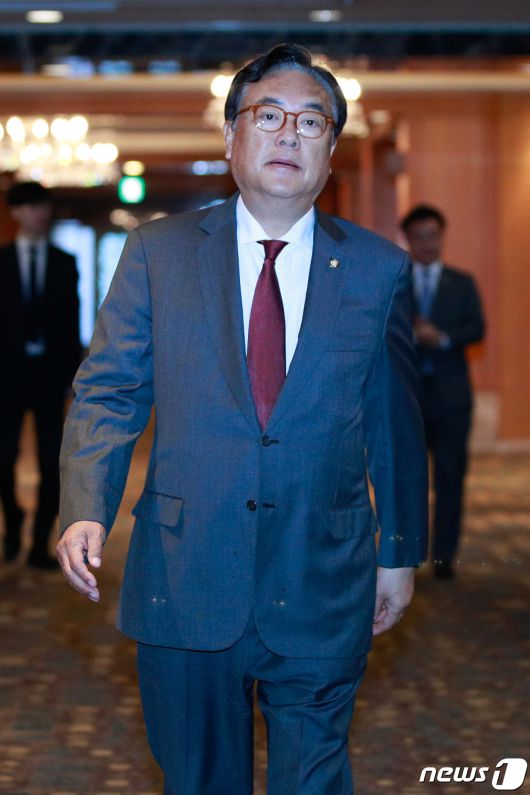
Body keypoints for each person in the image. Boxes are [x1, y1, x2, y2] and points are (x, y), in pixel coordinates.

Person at [57, 44, 428, 795]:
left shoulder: (377, 268)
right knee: (199, 780)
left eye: (311, 121)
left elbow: (394, 423)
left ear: (331, 148)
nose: (289, 134)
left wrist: (399, 552)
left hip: (323, 572)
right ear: (231, 135)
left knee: (314, 778)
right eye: (269, 116)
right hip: (186, 575)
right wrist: (85, 505)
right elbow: (110, 390)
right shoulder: (158, 253)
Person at [401, 204, 485, 580]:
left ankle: (444, 557)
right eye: (419, 237)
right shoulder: (396, 281)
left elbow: (477, 329)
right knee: (408, 480)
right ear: (408, 239)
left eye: (433, 236)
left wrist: (444, 337)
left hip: (452, 399)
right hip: (409, 400)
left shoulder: (462, 282)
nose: (427, 244)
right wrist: (412, 334)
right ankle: (406, 551)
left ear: (442, 236)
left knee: (450, 479)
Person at [0, 181, 80, 569]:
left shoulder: (64, 262)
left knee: (53, 461)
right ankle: (13, 522)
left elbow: (71, 323)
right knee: (3, 457)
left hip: (50, 378)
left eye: (44, 206)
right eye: (32, 207)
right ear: (16, 212)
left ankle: (39, 545)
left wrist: (74, 377)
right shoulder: (1, 261)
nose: (40, 214)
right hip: (6, 377)